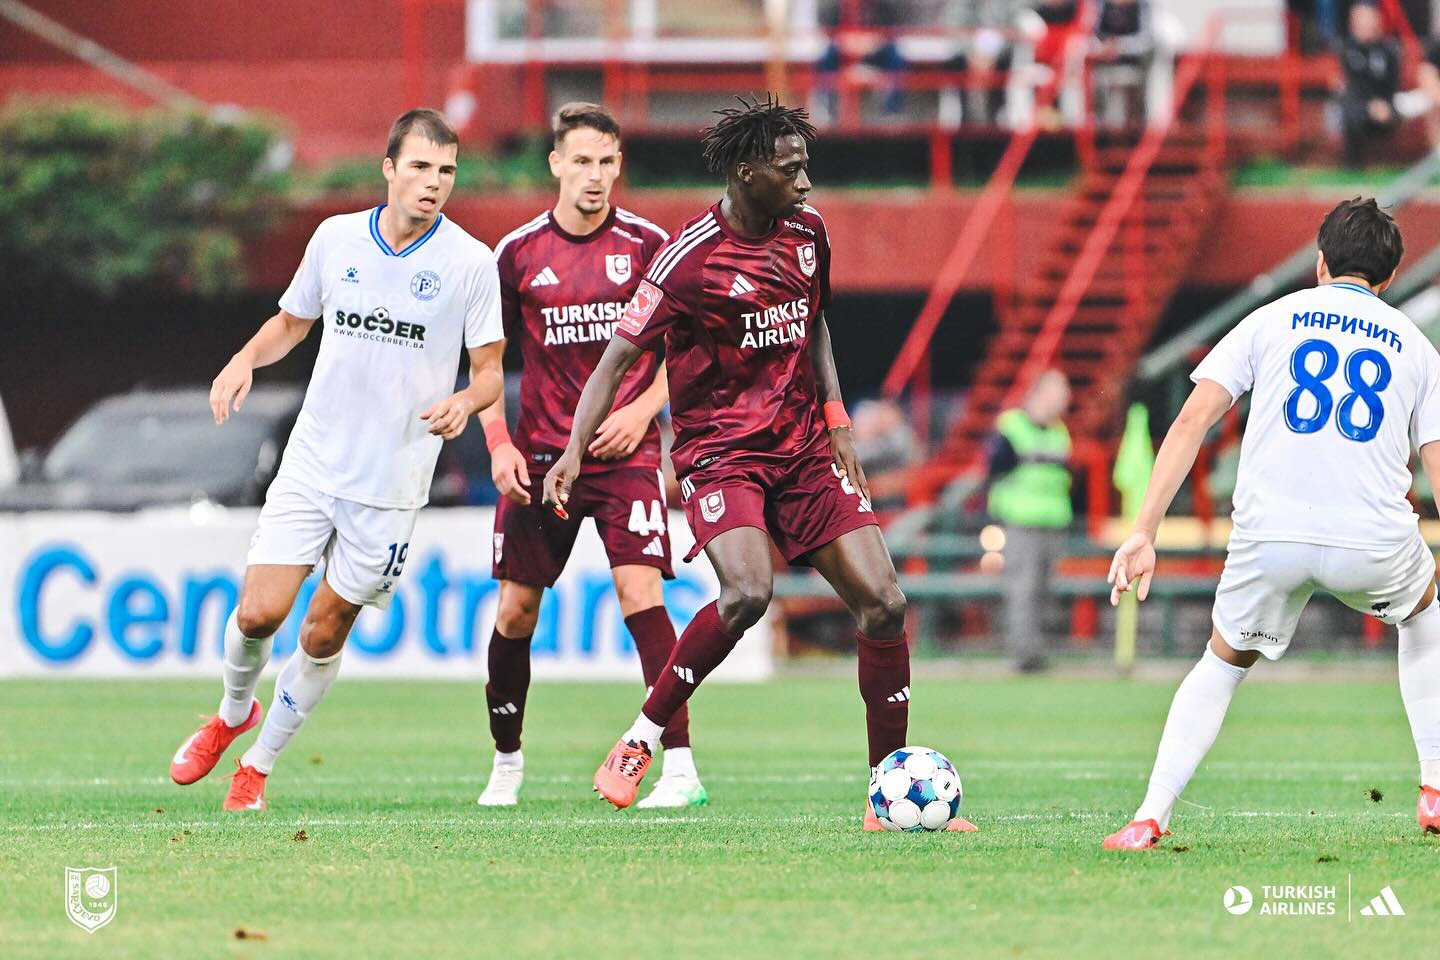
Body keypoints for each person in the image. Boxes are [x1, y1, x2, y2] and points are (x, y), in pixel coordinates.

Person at [542, 95, 976, 833]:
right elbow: (618, 360)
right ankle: (642, 737)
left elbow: (816, 328)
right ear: (748, 174)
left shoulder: (808, 232)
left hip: (804, 446)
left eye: (806, 168)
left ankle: (883, 801)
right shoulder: (688, 261)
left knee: (886, 603)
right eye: (791, 170)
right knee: (747, 593)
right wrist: (572, 452)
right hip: (722, 452)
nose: (806, 184)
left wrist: (837, 421)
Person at [167, 109, 505, 812]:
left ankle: (256, 768)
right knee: (259, 614)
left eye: (446, 171)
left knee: (324, 632)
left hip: (392, 485)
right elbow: (293, 322)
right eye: (419, 167)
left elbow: (491, 374)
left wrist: (466, 404)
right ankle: (233, 712)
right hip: (313, 464)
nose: (433, 183)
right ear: (388, 168)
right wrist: (243, 360)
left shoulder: (471, 263)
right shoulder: (336, 238)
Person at [1103, 197, 1440, 849]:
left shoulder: (1271, 320)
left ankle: (1150, 815)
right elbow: (1435, 456)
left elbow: (1190, 422)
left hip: (1269, 538)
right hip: (1370, 538)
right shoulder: (1416, 348)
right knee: (1425, 616)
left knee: (1223, 662)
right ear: (1390, 278)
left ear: (1319, 264)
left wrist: (1144, 529)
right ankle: (1435, 785)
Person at [476, 102, 706, 809]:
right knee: (516, 613)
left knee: (642, 594)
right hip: (544, 460)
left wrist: (641, 410)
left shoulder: (648, 244)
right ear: (555, 164)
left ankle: (679, 767)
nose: (596, 176)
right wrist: (498, 443)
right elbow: (486, 363)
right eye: (582, 161)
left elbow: (688, 351)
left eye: (607, 162)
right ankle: (507, 763)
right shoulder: (515, 253)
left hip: (627, 455)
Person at [985, 369, 1073, 673]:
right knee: (1024, 590)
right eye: (1059, 390)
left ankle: (1038, 653)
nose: (1066, 398)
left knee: (1045, 592)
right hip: (1020, 521)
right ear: (1039, 393)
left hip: (1053, 521)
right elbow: (993, 468)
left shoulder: (1059, 431)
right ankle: (1024, 656)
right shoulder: (1013, 427)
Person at [1334, 1, 1400, 168]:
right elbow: (1343, 86)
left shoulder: (1389, 49)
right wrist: (1368, 106)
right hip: (1354, 106)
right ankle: (1354, 165)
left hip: (1385, 105)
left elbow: (1393, 84)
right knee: (1351, 112)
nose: (1365, 23)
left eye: (1368, 17)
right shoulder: (1344, 49)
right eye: (1360, 18)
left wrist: (1386, 104)